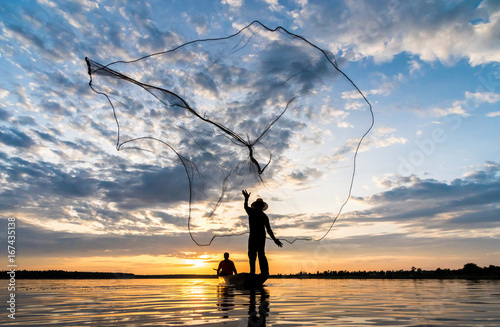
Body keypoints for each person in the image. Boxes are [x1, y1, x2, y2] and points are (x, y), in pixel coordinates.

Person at [242, 189, 283, 275]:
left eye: (261, 205)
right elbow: (245, 207)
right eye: (258, 205)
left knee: (261, 254)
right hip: (253, 237)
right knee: (252, 255)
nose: (259, 206)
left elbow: (268, 229)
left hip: (261, 237)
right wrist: (246, 199)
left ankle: (264, 273)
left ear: (262, 207)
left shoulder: (264, 216)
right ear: (256, 206)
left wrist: (275, 240)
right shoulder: (251, 212)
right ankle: (252, 273)